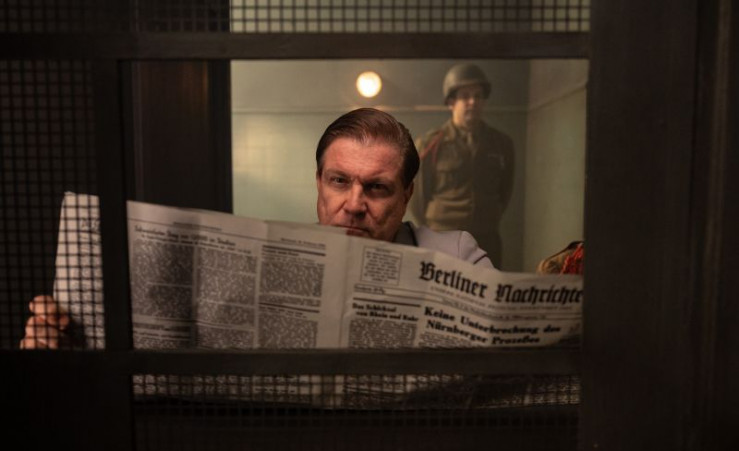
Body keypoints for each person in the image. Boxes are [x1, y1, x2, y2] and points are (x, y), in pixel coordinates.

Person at [21, 107, 493, 349]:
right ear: (318, 183)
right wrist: (66, 344)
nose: (353, 205)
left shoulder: (456, 254)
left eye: (377, 188)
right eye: (339, 181)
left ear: (407, 194)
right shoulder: (274, 257)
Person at [409, 64, 515, 268]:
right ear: (451, 102)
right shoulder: (430, 144)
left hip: (486, 239)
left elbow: (505, 193)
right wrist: (438, 227)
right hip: (443, 238)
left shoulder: (501, 144)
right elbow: (418, 199)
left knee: (487, 286)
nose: (472, 102)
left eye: (478, 96)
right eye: (465, 96)